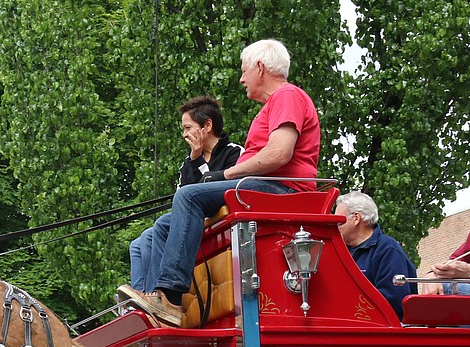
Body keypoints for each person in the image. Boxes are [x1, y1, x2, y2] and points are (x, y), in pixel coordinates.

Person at [120, 39, 321, 326]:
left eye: (244, 71)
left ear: (261, 68)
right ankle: (153, 302)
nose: (241, 79)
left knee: (188, 197)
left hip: (282, 189)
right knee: (163, 226)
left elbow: (279, 153)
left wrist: (225, 174)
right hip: (267, 187)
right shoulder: (276, 103)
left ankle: (171, 299)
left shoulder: (287, 95)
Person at [128, 96, 244, 291]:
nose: (184, 134)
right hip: (193, 221)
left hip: (215, 222)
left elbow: (216, 190)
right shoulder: (187, 163)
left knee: (158, 228)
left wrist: (198, 161)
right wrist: (194, 160)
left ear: (207, 125)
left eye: (187, 128)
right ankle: (137, 298)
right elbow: (180, 200)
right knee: (138, 244)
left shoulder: (234, 153)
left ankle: (156, 294)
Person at [334, 191, 417, 319]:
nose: (335, 227)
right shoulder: (340, 251)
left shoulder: (388, 250)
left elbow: (393, 300)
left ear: (356, 218)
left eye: (339, 221)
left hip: (381, 333)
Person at [421, 148, 470, 296]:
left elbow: (467, 268)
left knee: (446, 289)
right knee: (437, 287)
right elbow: (459, 258)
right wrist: (434, 275)